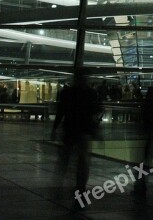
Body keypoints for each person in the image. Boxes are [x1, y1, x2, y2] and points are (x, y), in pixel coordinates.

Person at [51, 73, 101, 206]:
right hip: (84, 130)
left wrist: (54, 129)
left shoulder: (67, 93)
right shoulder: (91, 93)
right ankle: (80, 189)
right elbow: (95, 112)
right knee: (83, 162)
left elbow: (61, 111)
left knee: (65, 159)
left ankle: (60, 186)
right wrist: (97, 131)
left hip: (70, 129)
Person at [135, 86, 153, 197]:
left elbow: (142, 118)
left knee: (144, 160)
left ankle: (141, 183)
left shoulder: (145, 104)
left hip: (146, 134)